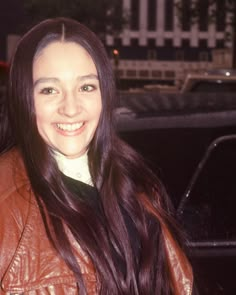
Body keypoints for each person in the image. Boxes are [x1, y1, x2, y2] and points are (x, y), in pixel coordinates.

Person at [0, 17, 193, 294]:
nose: (71, 108)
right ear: (24, 98)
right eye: (50, 90)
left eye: (86, 87)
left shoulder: (136, 182)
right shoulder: (5, 202)